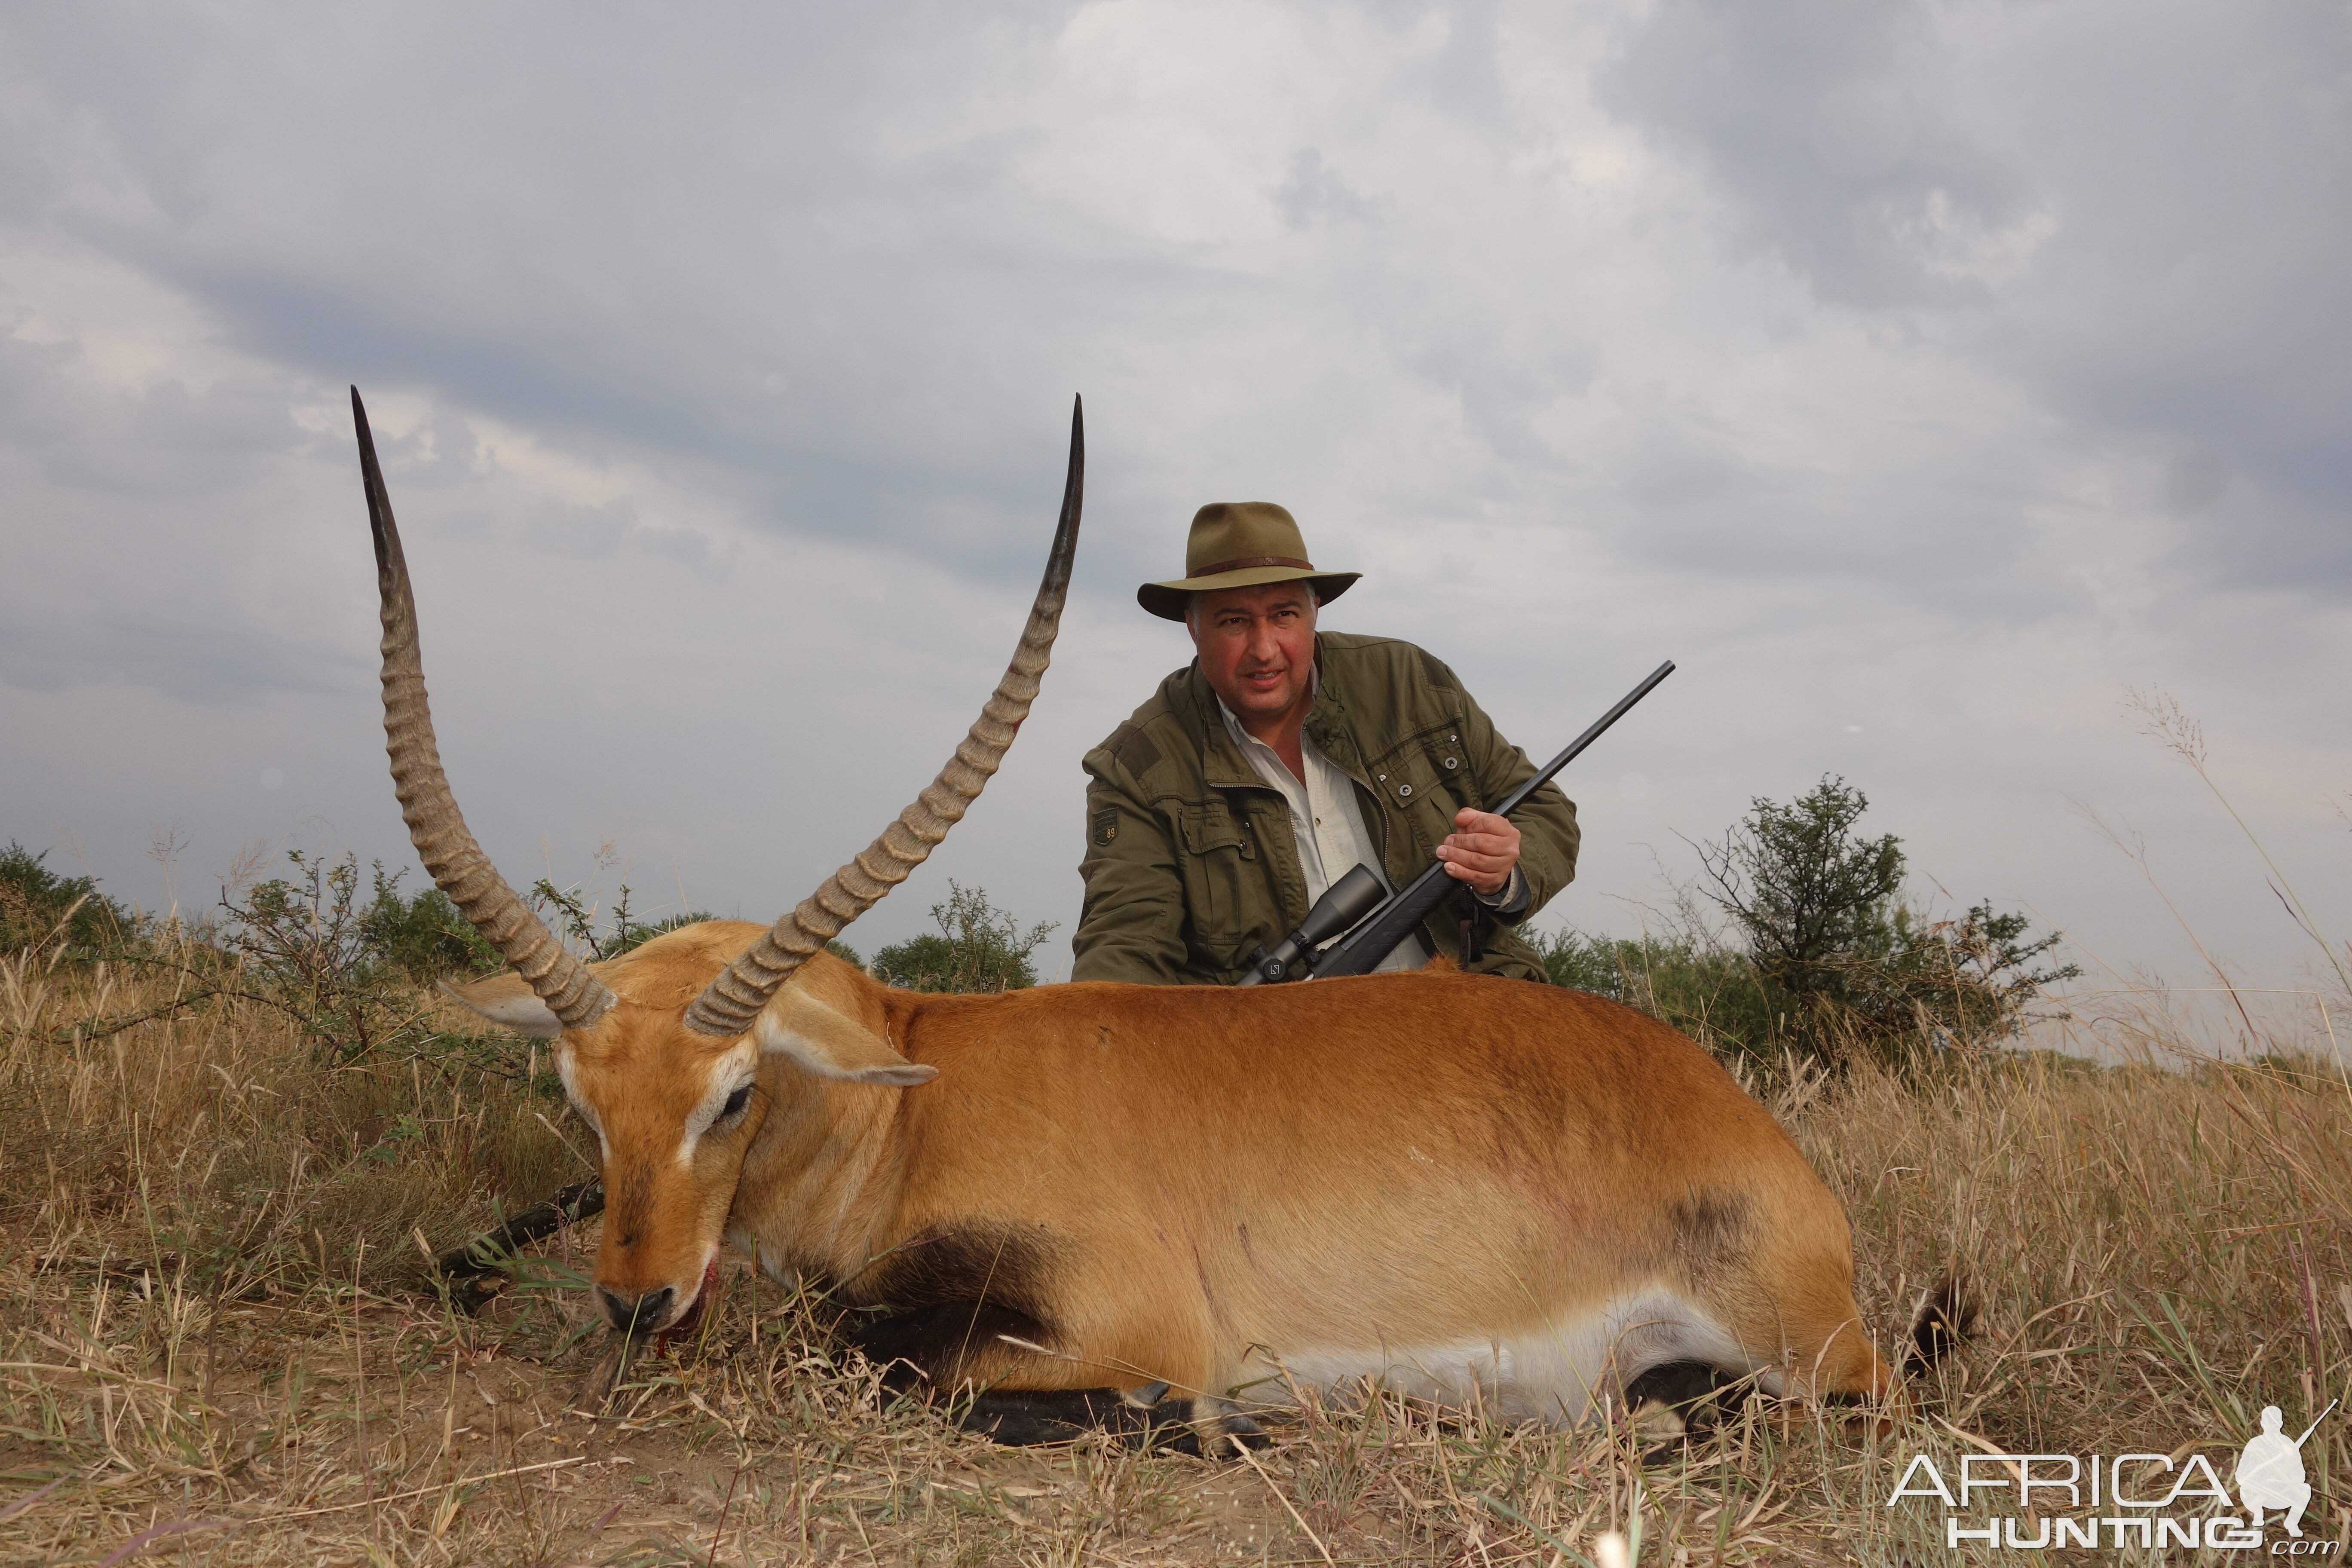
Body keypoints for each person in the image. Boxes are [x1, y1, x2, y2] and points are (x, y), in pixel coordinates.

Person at [1073, 501, 1580, 985]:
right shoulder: (1135, 766)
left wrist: (1505, 872)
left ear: (1315, 611)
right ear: (1193, 626)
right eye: (1234, 621)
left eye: (1284, 615)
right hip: (1282, 1053)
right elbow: (1123, 948)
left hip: (1472, 1009)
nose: (1264, 649)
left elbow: (1545, 812)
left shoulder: (1409, 680)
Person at [2236, 1405, 2313, 1537]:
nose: (2272, 1426)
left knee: (2305, 1489)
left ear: (2281, 1424)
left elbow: (2300, 1473)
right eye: (2269, 1422)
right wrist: (2261, 1478)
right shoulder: (2255, 1444)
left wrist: (2286, 1477)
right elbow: (2241, 1474)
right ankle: (2257, 1515)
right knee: (2246, 1489)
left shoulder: (2288, 1444)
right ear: (2262, 1424)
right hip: (2259, 1490)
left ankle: (2292, 1523)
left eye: (2275, 1422)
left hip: (2282, 1492)